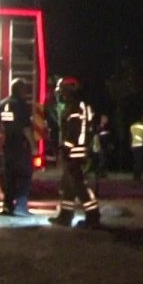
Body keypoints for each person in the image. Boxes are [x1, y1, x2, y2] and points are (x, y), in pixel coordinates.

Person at [50, 77, 101, 228]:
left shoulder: (76, 107)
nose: (62, 95)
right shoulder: (80, 106)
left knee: (79, 186)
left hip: (75, 154)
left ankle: (93, 216)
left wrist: (65, 148)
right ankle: (65, 216)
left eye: (63, 91)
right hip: (76, 152)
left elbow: (73, 131)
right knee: (68, 185)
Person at [0, 77, 36, 216]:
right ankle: (21, 206)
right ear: (20, 89)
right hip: (20, 146)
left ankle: (8, 206)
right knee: (25, 174)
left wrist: (2, 133)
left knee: (9, 176)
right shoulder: (22, 105)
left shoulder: (3, 103)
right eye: (24, 89)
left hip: (8, 145)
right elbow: (26, 128)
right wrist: (33, 145)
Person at [92, 114, 113, 182]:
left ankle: (102, 173)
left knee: (104, 160)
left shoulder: (106, 127)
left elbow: (107, 137)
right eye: (105, 119)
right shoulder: (99, 127)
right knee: (102, 160)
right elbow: (97, 137)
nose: (106, 120)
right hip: (101, 146)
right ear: (102, 119)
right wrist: (98, 146)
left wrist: (109, 144)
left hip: (105, 146)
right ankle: (98, 173)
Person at [129, 115, 143, 180]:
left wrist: (131, 145)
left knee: (136, 161)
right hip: (140, 145)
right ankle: (138, 176)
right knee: (139, 161)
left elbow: (131, 136)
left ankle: (135, 175)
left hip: (134, 145)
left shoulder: (132, 126)